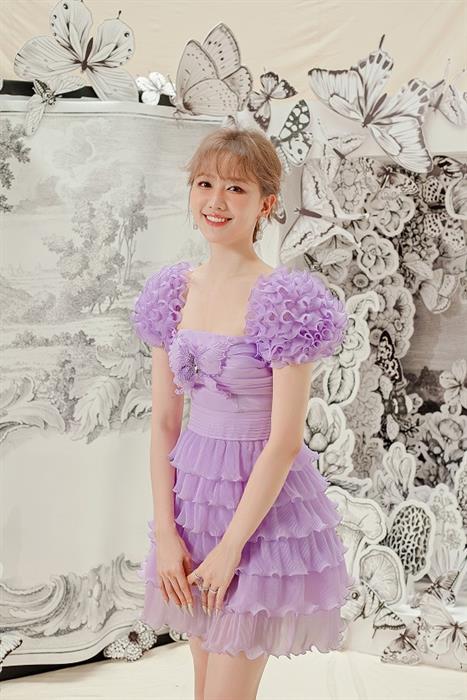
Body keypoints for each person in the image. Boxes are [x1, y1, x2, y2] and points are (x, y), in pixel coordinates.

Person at [131, 126, 355, 700]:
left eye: (236, 188)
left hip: (260, 517)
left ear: (266, 204)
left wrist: (232, 547)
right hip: (196, 506)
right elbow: (165, 424)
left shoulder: (285, 299)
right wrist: (166, 533)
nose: (216, 201)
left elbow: (285, 440)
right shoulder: (171, 292)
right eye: (205, 184)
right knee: (204, 684)